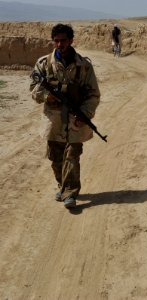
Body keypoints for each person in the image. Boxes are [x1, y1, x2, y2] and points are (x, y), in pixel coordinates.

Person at [30, 23, 100, 208]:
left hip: (75, 119)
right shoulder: (43, 64)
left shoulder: (83, 66)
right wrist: (47, 95)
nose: (60, 44)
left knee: (72, 155)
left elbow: (93, 94)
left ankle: (70, 193)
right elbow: (33, 90)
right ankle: (62, 186)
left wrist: (84, 114)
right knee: (56, 157)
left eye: (63, 40)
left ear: (71, 41)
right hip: (53, 120)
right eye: (57, 41)